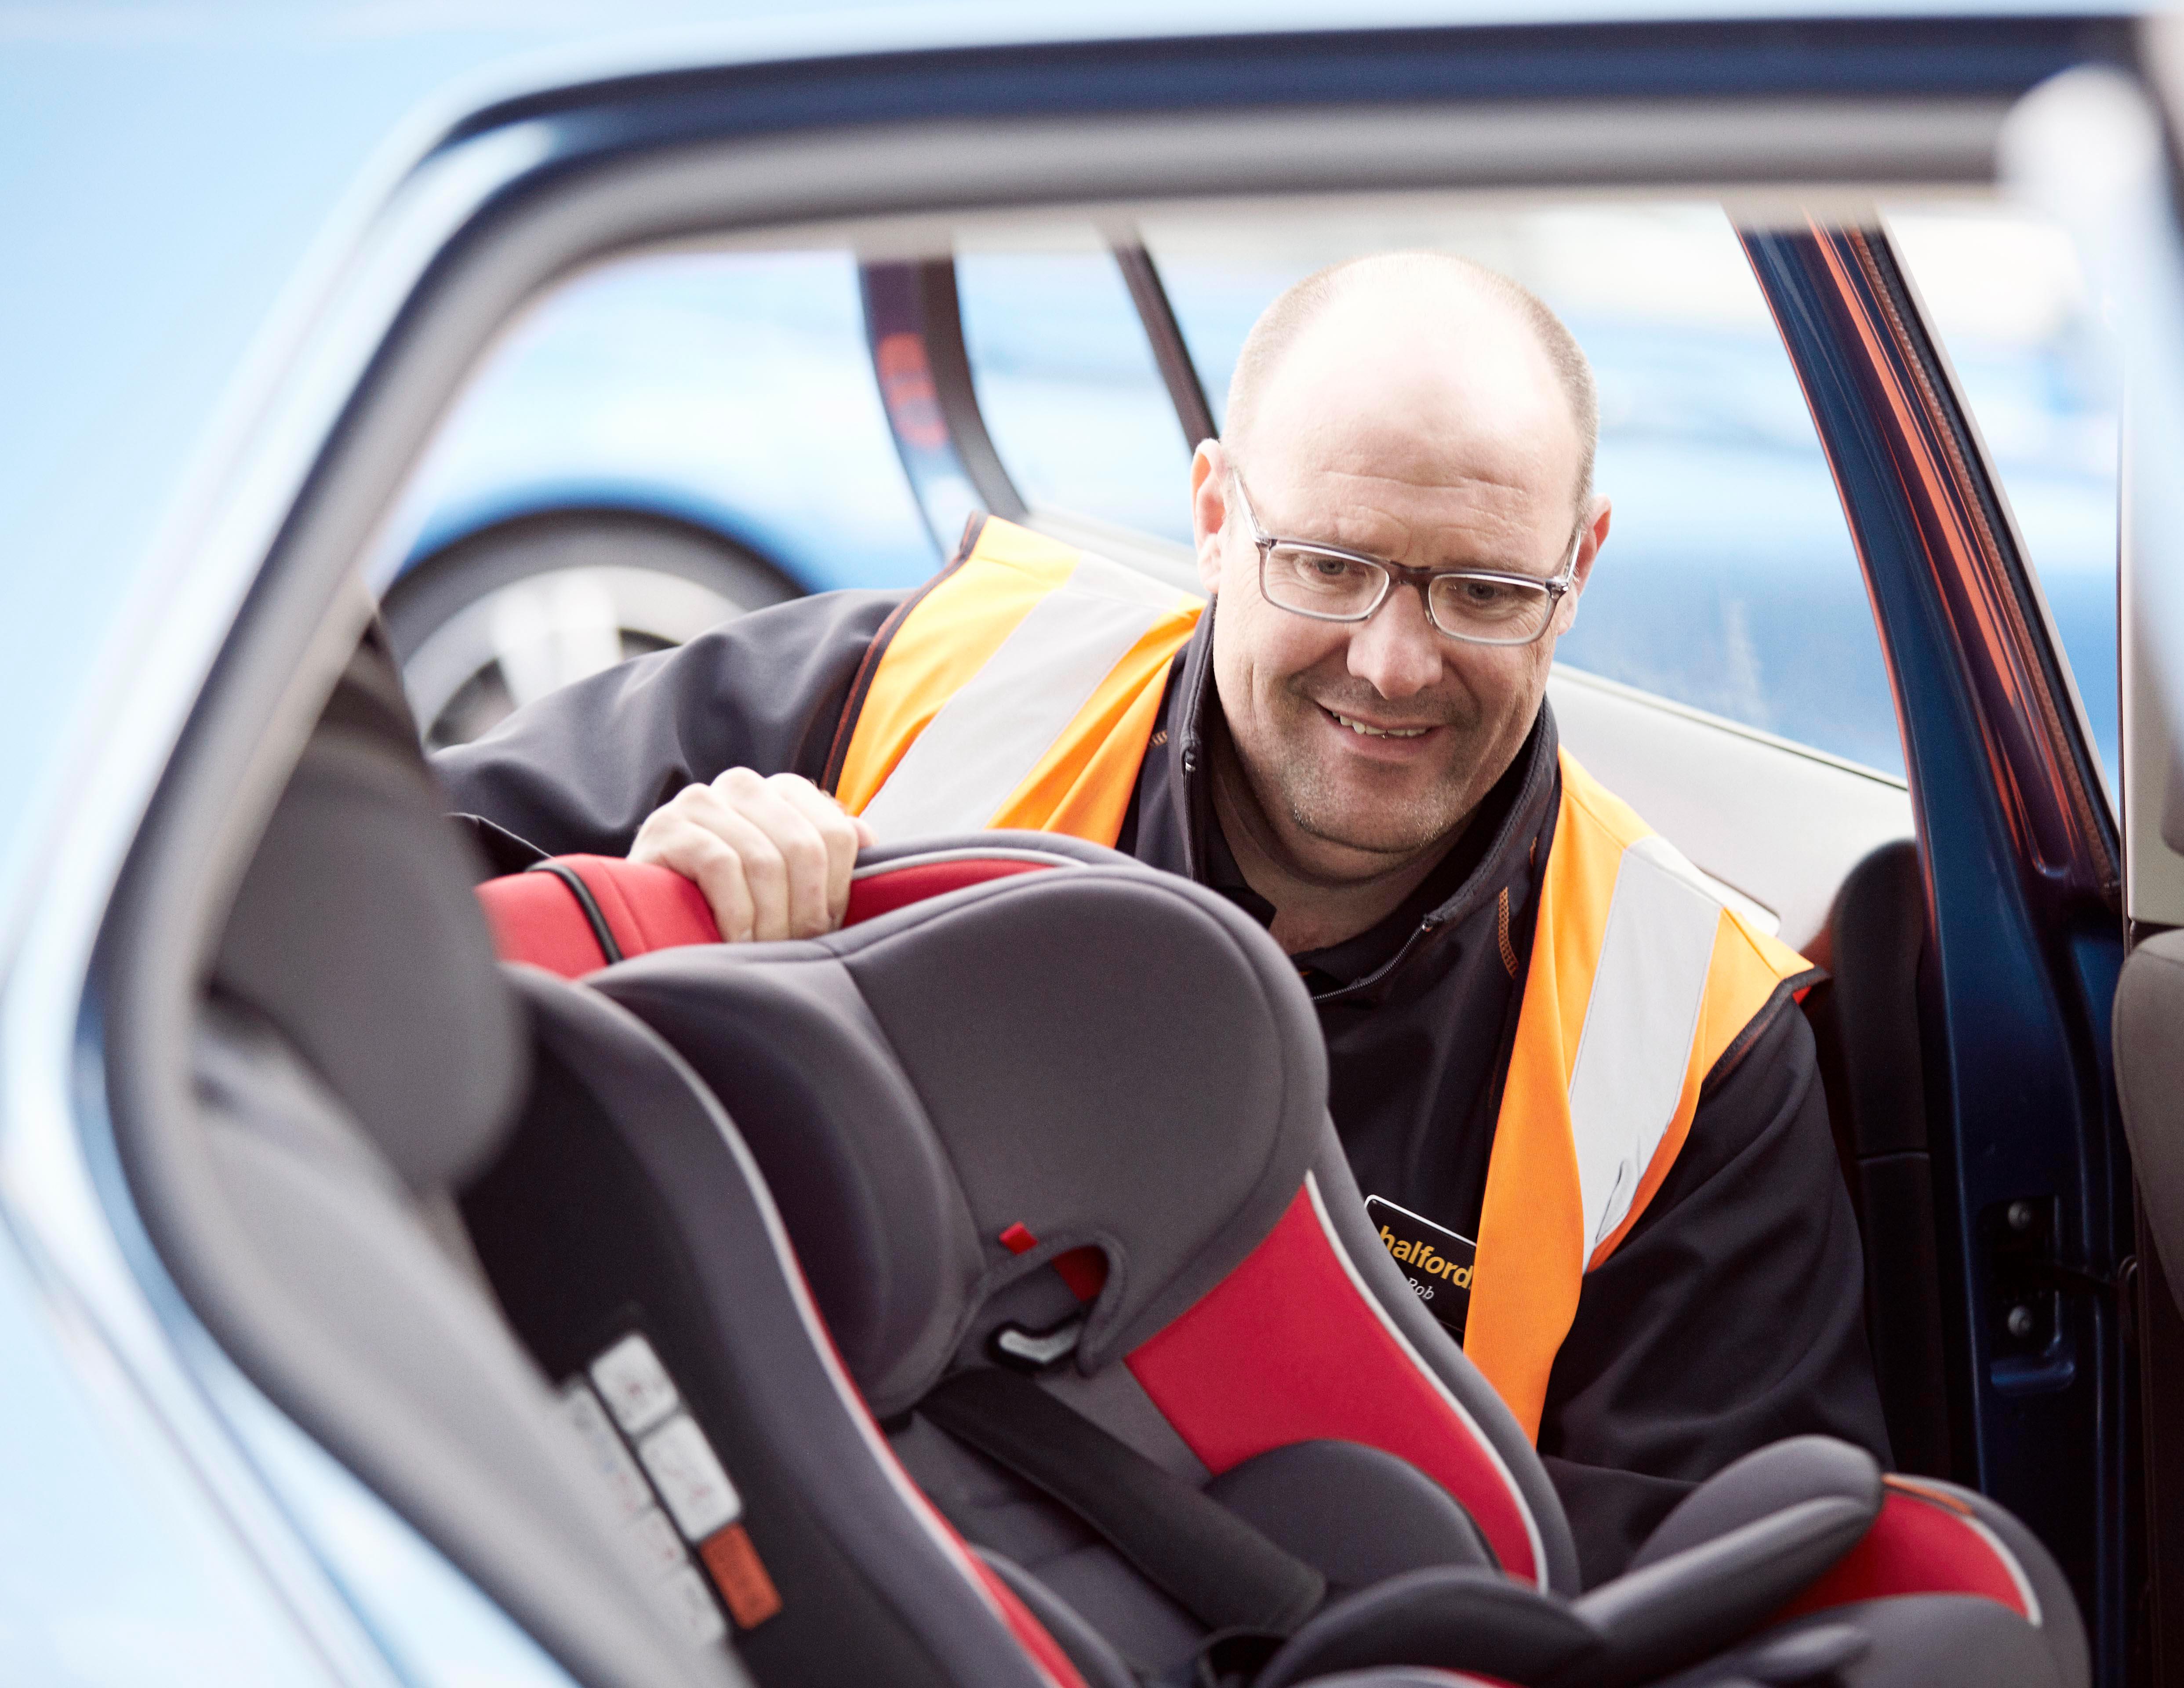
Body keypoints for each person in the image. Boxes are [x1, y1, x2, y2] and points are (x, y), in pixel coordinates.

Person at [436, 252, 1887, 1582]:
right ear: (1212, 515)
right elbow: (374, 902)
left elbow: (1707, 1589)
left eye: (1482, 590)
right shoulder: (917, 688)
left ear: (1581, 568)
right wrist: (653, 900)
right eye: (1328, 565)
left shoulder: (1690, 1031)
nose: (1393, 662)